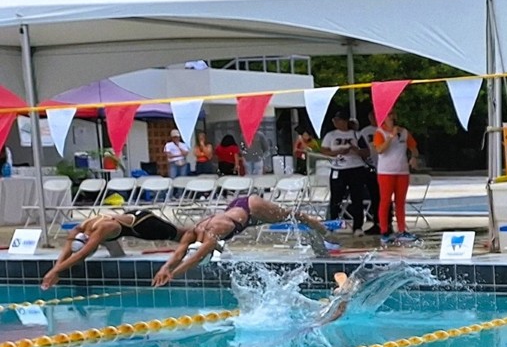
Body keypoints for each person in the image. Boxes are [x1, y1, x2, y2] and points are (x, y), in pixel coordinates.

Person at [151, 196, 337, 286]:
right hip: (239, 212)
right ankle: (321, 245)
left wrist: (173, 274)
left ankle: (322, 229)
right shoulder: (193, 231)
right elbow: (179, 253)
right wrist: (164, 269)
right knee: (289, 220)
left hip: (252, 207)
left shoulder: (213, 234)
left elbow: (197, 257)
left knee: (296, 217)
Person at [41, 209, 181, 289]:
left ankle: (200, 234)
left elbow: (82, 254)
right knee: (105, 240)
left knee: (180, 235)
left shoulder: (103, 228)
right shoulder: (78, 229)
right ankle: (118, 254)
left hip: (142, 224)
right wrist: (54, 271)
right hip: (124, 221)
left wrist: (54, 271)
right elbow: (67, 251)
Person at [313, 113, 370, 234]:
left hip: (355, 168)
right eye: (334, 120)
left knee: (357, 197)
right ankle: (333, 224)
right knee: (336, 198)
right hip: (338, 168)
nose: (336, 123)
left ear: (344, 121)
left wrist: (356, 150)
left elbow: (366, 152)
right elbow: (324, 150)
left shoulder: (356, 134)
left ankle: (358, 226)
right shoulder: (331, 135)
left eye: (338, 120)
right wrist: (337, 152)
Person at [370, 112, 420, 242]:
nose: (392, 117)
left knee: (400, 201)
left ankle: (402, 230)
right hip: (386, 172)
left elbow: (413, 147)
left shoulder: (403, 132)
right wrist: (391, 137)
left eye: (393, 115)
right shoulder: (380, 132)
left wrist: (414, 157)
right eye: (389, 115)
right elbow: (380, 150)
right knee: (385, 201)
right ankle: (384, 231)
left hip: (402, 171)